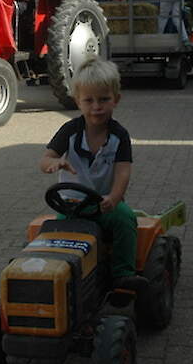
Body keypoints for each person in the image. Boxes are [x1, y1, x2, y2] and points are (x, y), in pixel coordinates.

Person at [39, 59, 141, 288]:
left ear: (116, 100)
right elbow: (45, 160)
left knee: (126, 219)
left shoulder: (119, 136)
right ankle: (56, 277)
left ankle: (123, 274)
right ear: (78, 102)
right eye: (89, 100)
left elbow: (123, 171)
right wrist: (55, 163)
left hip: (104, 204)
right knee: (53, 231)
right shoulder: (69, 131)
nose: (97, 106)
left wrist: (114, 198)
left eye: (104, 99)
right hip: (71, 206)